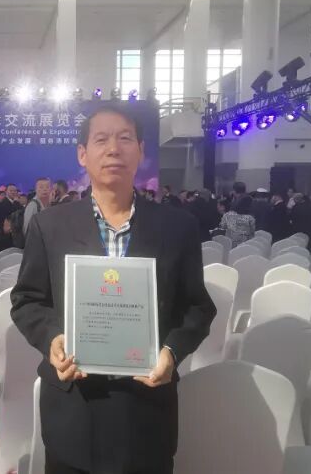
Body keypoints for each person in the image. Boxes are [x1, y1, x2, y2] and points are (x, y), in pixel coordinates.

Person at [11, 104, 215, 474]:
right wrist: (52, 339)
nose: (113, 149)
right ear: (82, 154)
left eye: (124, 139)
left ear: (140, 150)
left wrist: (172, 351)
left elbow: (198, 308)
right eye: (101, 139)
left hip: (146, 406)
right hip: (74, 405)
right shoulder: (50, 226)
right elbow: (27, 300)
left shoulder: (177, 227)